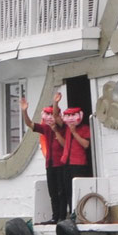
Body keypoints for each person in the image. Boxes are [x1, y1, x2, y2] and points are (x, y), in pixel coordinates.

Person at [22, 92, 70, 220]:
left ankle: (62, 216)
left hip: (61, 163)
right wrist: (24, 111)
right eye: (47, 114)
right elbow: (30, 124)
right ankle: (55, 217)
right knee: (53, 192)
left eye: (52, 114)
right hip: (50, 164)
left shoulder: (62, 127)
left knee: (61, 191)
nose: (50, 117)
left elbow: (64, 144)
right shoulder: (45, 128)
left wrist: (55, 103)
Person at [61, 105, 93, 208]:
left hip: (79, 163)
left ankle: (80, 211)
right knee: (68, 190)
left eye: (73, 115)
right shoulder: (66, 128)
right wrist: (56, 103)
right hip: (67, 162)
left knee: (79, 190)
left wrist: (74, 132)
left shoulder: (85, 128)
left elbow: (86, 144)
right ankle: (72, 212)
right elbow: (56, 117)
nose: (70, 118)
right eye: (68, 115)